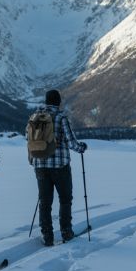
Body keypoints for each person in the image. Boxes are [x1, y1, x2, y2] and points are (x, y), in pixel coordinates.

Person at [30, 90, 87, 246]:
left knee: (45, 202)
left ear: (46, 101)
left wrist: (33, 161)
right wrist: (81, 148)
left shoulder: (35, 118)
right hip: (60, 166)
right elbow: (71, 142)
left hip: (40, 166)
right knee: (65, 199)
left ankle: (47, 235)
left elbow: (29, 141)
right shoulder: (61, 118)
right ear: (59, 102)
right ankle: (66, 232)